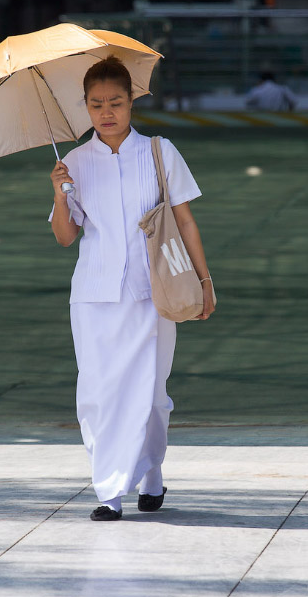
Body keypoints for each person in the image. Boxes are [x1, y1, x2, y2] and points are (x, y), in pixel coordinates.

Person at [49, 56, 215, 522]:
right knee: (98, 393)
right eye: (97, 104)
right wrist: (59, 192)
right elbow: (65, 236)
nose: (107, 112)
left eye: (116, 102)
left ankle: (151, 473)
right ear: (84, 107)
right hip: (94, 295)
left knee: (151, 392)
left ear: (132, 102)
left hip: (154, 292)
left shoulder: (161, 152)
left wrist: (204, 281)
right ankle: (109, 490)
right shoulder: (74, 163)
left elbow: (185, 221)